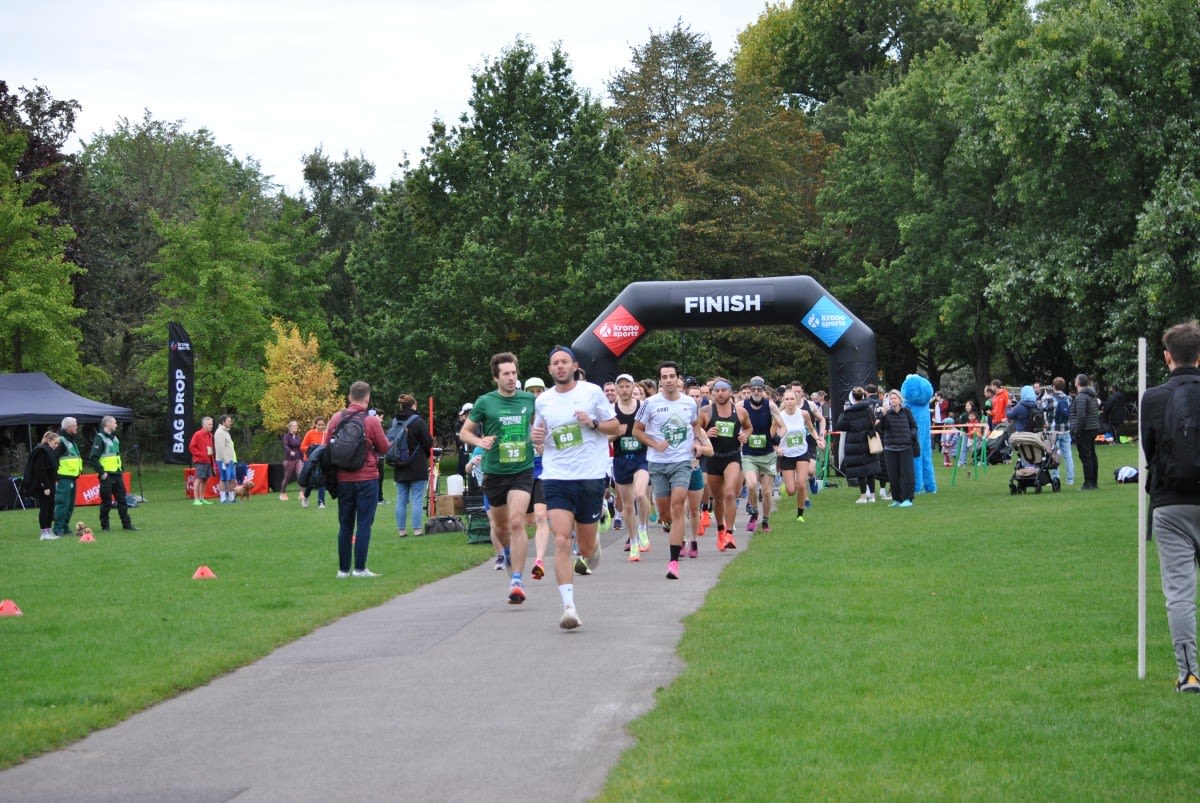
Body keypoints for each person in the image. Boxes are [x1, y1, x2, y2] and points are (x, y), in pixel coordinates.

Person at [529, 346, 620, 629]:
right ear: (549, 369)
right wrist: (537, 435)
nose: (559, 367)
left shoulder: (591, 393)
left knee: (588, 545)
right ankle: (568, 607)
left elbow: (615, 427)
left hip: (590, 476)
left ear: (574, 366)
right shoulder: (543, 400)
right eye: (554, 363)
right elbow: (540, 433)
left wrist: (592, 423)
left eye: (564, 362)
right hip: (556, 476)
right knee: (561, 539)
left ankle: (592, 546)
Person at [1139, 320, 1200, 692]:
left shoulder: (1153, 398)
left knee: (1179, 593)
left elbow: (1149, 451)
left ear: (1166, 357)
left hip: (1170, 503)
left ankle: (1189, 673)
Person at [459, 352, 536, 606]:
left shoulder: (528, 399)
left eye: (514, 373)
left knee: (516, 522)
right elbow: (465, 432)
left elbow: (539, 425)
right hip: (494, 473)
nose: (512, 378)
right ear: (496, 377)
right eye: (506, 374)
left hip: (522, 470)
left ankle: (517, 579)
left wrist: (539, 436)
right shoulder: (485, 402)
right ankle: (505, 553)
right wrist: (480, 441)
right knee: (501, 528)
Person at [634, 361, 709, 581]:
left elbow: (695, 425)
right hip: (657, 463)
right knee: (665, 514)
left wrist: (696, 441)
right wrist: (655, 444)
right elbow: (636, 430)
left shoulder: (688, 403)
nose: (668, 380)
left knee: (678, 507)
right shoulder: (650, 403)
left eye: (672, 376)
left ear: (678, 379)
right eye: (664, 377)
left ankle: (673, 562)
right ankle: (673, 530)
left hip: (682, 461)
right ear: (660, 380)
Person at [326, 381, 392, 578]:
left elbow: (326, 447)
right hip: (367, 478)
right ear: (367, 398)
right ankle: (360, 568)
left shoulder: (336, 418)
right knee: (364, 524)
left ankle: (343, 570)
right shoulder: (371, 421)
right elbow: (384, 448)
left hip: (343, 479)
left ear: (349, 397)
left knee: (345, 524)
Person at [698, 378, 750, 551]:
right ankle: (720, 529)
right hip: (713, 458)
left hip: (732, 457)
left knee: (730, 493)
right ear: (713, 393)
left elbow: (748, 428)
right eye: (717, 390)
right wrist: (706, 433)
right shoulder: (706, 411)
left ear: (729, 392)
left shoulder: (740, 412)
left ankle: (729, 533)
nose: (720, 393)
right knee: (718, 499)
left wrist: (745, 436)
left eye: (723, 390)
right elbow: (695, 432)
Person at [610, 372, 651, 560]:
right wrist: (617, 433)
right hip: (620, 460)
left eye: (628, 386)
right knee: (627, 506)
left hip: (641, 457)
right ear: (617, 389)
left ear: (634, 387)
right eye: (621, 386)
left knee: (641, 494)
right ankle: (633, 541)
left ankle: (642, 527)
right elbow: (604, 439)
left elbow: (652, 431)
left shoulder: (643, 407)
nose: (625, 390)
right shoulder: (610, 410)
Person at [740, 376, 785, 533]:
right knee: (751, 485)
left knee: (766, 492)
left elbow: (783, 425)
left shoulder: (770, 405)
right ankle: (754, 512)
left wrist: (776, 439)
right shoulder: (742, 405)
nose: (756, 392)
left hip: (767, 454)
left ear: (763, 391)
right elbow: (732, 420)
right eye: (753, 390)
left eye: (759, 390)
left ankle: (765, 521)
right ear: (750, 391)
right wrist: (739, 437)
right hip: (749, 454)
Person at [774, 389, 822, 523]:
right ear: (783, 401)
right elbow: (771, 435)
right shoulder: (780, 416)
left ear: (797, 400)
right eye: (787, 399)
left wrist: (818, 439)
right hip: (786, 455)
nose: (789, 402)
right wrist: (776, 448)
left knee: (801, 484)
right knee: (791, 491)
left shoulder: (804, 414)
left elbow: (811, 429)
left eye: (792, 399)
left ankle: (800, 514)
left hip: (802, 453)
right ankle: (786, 486)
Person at [391, 394, 434, 537]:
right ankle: (417, 530)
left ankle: (401, 530)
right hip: (417, 464)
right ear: (413, 405)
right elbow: (429, 442)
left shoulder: (395, 421)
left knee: (401, 499)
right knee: (417, 498)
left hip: (399, 465)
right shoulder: (418, 421)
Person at [522, 377, 552, 579]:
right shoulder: (520, 419)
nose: (535, 395)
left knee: (541, 515)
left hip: (544, 472)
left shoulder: (550, 417)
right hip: (522, 473)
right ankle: (513, 556)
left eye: (538, 391)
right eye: (531, 391)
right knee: (523, 521)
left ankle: (539, 560)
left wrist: (547, 445)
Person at [88, 415, 137, 531]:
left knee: (122, 501)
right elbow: (93, 458)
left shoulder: (115, 438)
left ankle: (127, 525)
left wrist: (121, 469)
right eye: (114, 423)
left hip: (117, 474)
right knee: (106, 502)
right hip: (107, 476)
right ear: (107, 424)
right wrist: (102, 473)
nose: (116, 425)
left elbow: (116, 456)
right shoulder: (100, 438)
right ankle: (105, 526)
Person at [840, 388, 881, 503]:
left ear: (852, 398)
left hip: (855, 442)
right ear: (863, 396)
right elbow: (873, 422)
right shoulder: (868, 409)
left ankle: (863, 495)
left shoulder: (848, 412)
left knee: (860, 471)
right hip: (868, 441)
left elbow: (840, 425)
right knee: (870, 470)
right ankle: (873, 496)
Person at [877, 390, 917, 507]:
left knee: (907, 474)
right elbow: (881, 429)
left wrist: (911, 436)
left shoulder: (906, 412)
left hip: (905, 447)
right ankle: (897, 499)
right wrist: (883, 416)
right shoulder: (886, 414)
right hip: (890, 448)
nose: (892, 400)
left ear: (900, 400)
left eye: (895, 398)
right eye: (891, 398)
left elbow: (914, 426)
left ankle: (907, 499)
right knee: (893, 475)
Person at [22, 430, 61, 540]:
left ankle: (49, 531)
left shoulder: (49, 450)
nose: (57, 446)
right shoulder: (41, 451)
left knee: (50, 507)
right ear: (49, 440)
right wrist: (46, 486)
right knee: (45, 508)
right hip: (44, 485)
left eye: (58, 444)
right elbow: (41, 470)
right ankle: (44, 533)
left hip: (51, 483)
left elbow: (51, 469)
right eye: (55, 443)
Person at [51, 417, 84, 536]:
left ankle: (65, 526)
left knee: (70, 505)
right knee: (62, 503)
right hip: (64, 477)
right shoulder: (61, 441)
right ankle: (58, 528)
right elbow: (53, 458)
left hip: (72, 477)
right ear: (68, 427)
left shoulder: (71, 440)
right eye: (75, 425)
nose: (77, 427)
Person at [1070, 373, 1101, 490]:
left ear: (1078, 383)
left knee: (1086, 456)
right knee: (1092, 454)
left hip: (1085, 429)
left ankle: (1088, 482)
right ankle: (1094, 482)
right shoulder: (1091, 395)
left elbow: (1081, 415)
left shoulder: (1081, 397)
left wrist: (1077, 430)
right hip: (1093, 427)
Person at [1049, 378, 1075, 486]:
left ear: (1054, 386)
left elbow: (1043, 408)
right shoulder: (1069, 398)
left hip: (1054, 431)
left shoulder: (1049, 398)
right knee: (1068, 455)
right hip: (1066, 430)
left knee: (1054, 454)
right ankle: (1070, 479)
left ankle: (1055, 477)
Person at [299, 417, 328, 508]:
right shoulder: (310, 433)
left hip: (321, 461)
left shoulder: (326, 435)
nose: (321, 426)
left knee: (322, 481)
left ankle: (321, 502)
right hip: (310, 461)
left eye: (322, 425)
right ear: (315, 425)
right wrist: (313, 448)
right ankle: (306, 497)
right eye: (319, 425)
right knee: (311, 482)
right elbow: (302, 447)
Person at [188, 416, 216, 506]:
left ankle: (202, 498)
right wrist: (200, 454)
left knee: (205, 479)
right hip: (200, 460)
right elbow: (191, 447)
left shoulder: (210, 435)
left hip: (208, 460)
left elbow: (210, 448)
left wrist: (212, 459)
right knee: (198, 479)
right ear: (204, 425)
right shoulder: (198, 434)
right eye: (209, 424)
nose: (211, 426)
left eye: (212, 424)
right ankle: (196, 499)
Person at [213, 415, 238, 503]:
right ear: (223, 422)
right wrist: (225, 460)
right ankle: (223, 499)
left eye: (230, 421)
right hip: (224, 460)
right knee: (223, 479)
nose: (230, 423)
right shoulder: (220, 432)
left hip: (230, 460)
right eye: (228, 421)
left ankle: (231, 498)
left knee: (231, 478)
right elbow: (220, 448)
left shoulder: (226, 432)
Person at [280, 419, 302, 501]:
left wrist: (303, 459)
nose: (295, 427)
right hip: (289, 459)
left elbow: (300, 448)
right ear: (290, 427)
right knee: (287, 477)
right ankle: (282, 493)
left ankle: (301, 493)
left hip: (298, 458)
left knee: (300, 475)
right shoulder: (286, 436)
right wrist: (290, 451)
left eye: (296, 425)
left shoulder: (299, 437)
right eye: (294, 426)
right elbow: (285, 446)